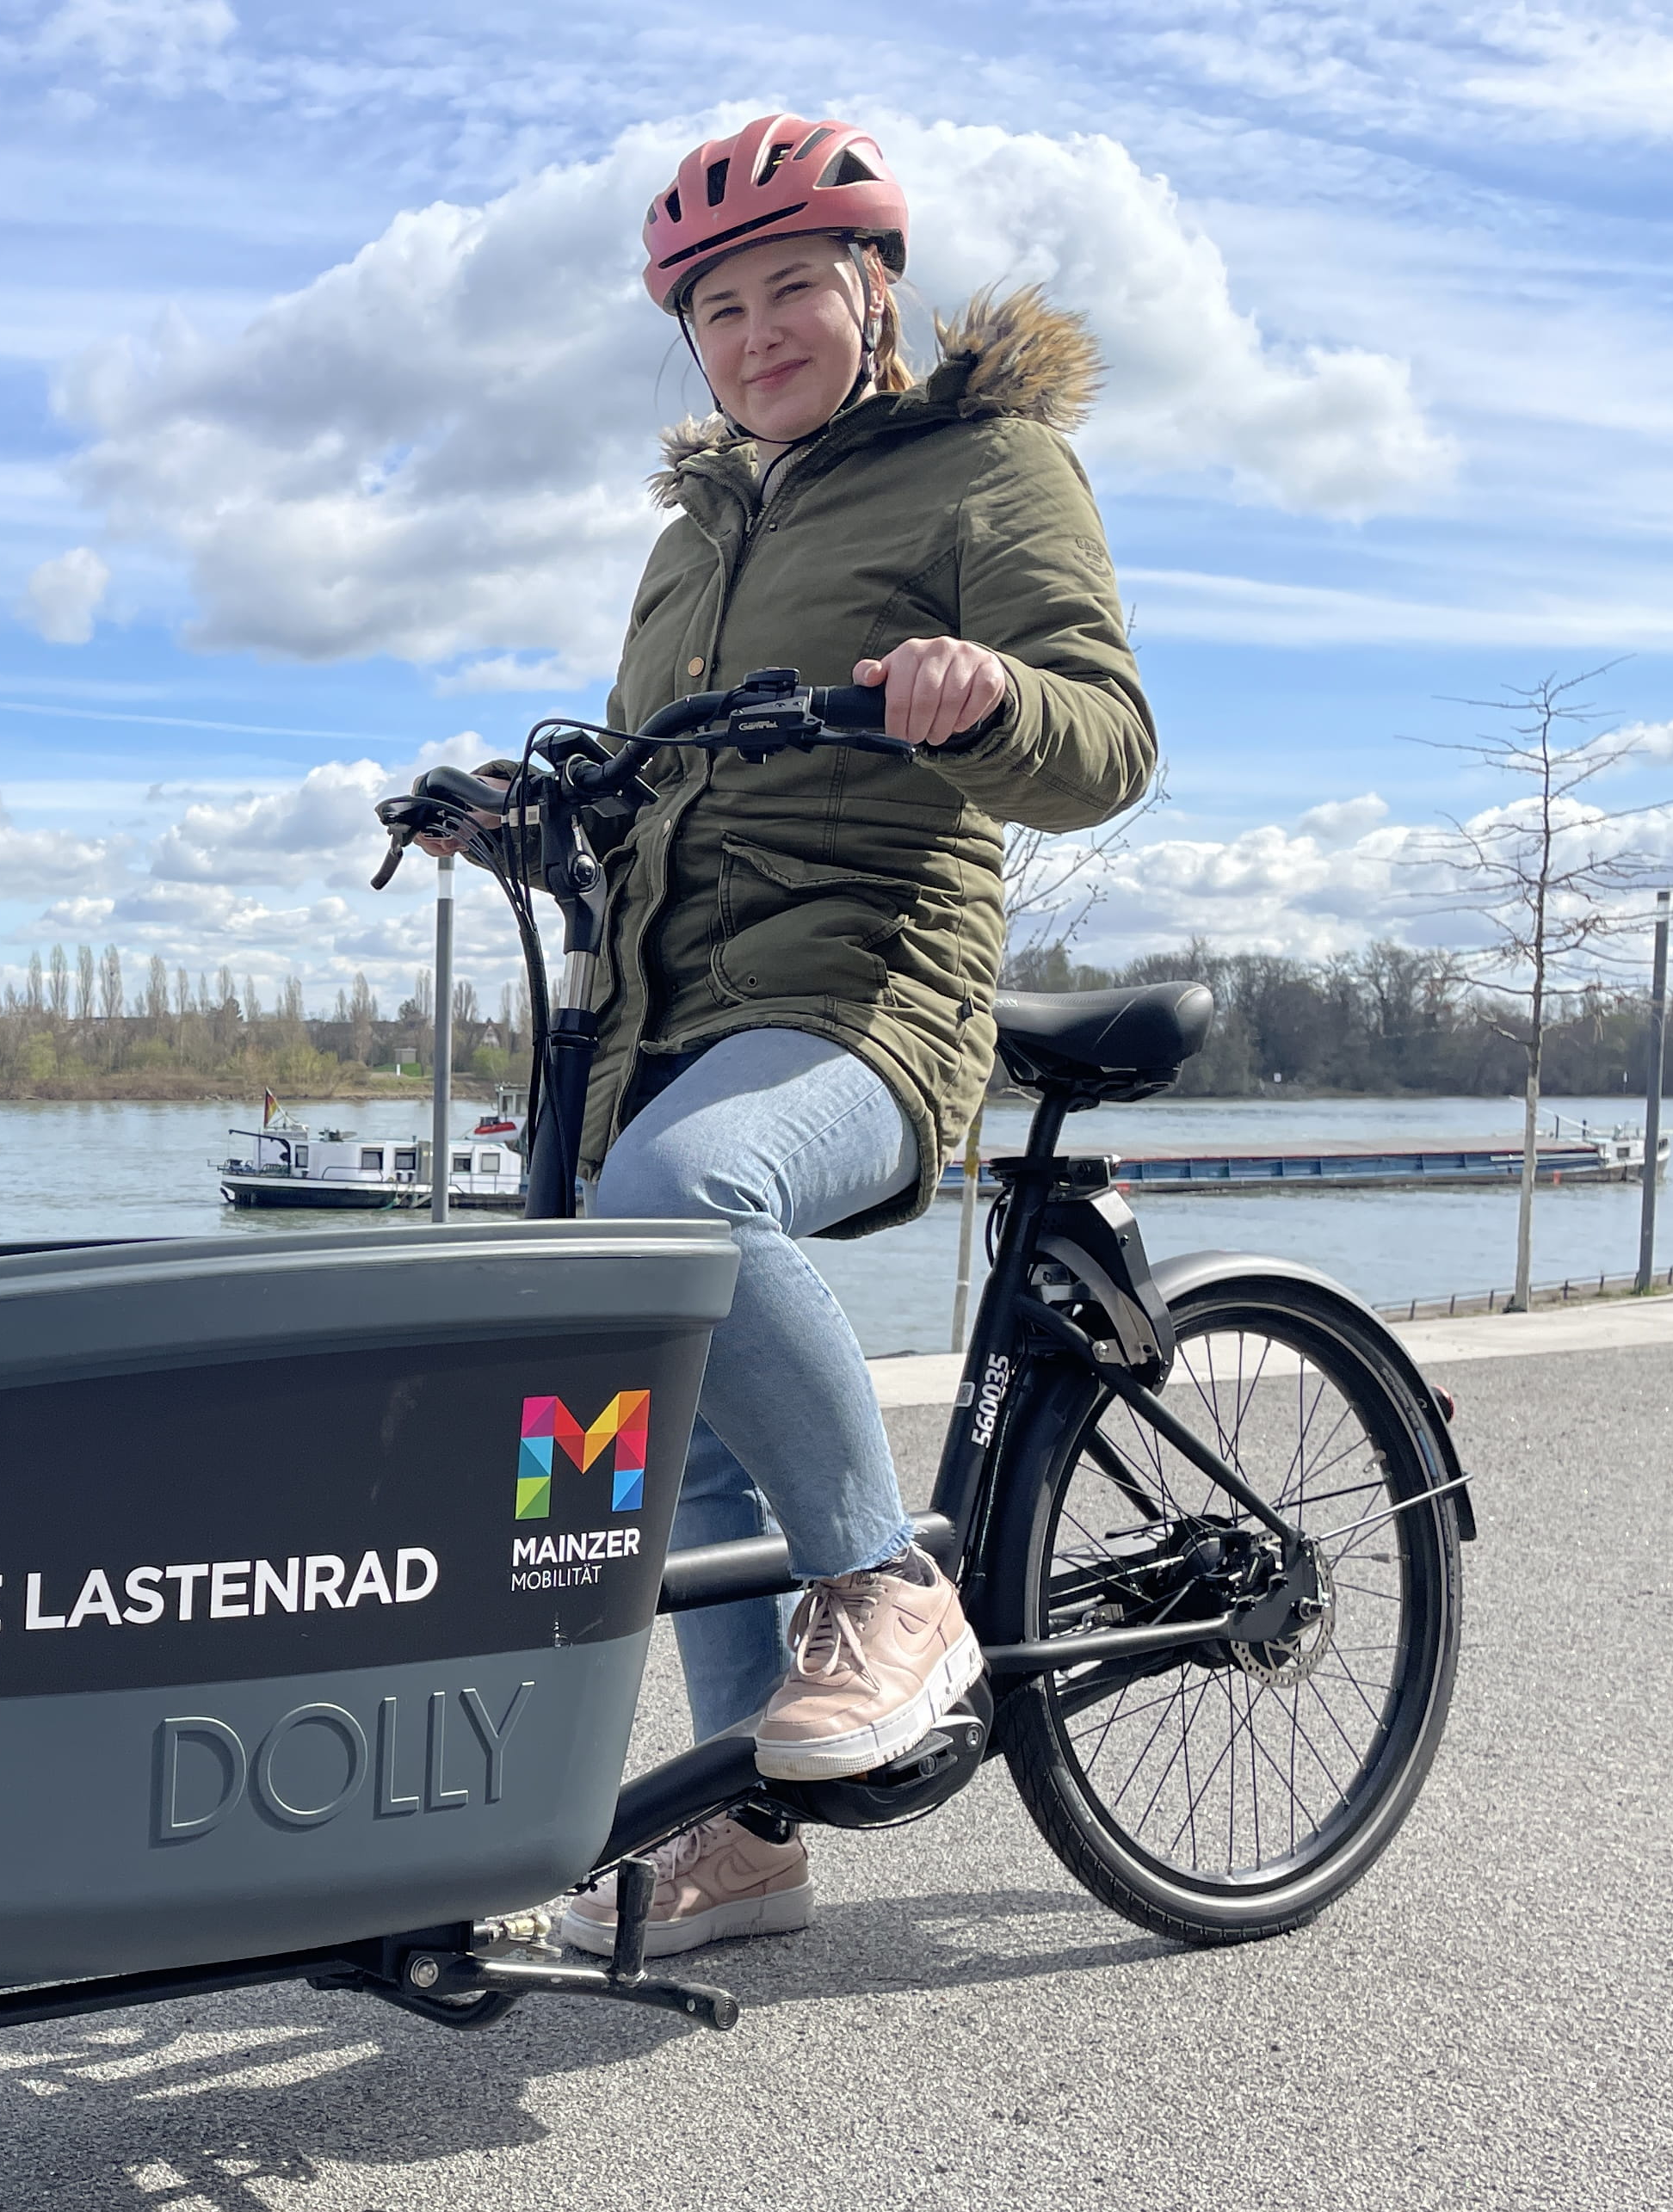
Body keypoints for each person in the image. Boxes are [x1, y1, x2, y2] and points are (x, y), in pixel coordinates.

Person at [533, 114, 1157, 1957]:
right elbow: (657, 776)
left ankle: (889, 1594)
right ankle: (746, 1833)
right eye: (716, 310)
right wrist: (537, 808)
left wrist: (990, 695)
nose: (755, 334)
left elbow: (1108, 743)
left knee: (683, 1197)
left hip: (873, 990)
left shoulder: (986, 465)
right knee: (662, 1404)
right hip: (668, 1009)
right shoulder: (694, 536)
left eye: (791, 287)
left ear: (877, 291)